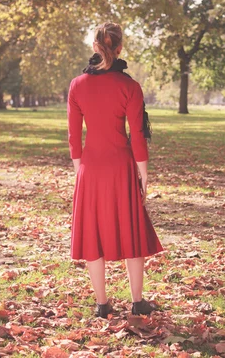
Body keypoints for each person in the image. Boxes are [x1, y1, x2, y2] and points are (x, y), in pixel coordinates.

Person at [67, 22, 163, 319]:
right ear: (119, 48)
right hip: (121, 166)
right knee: (131, 230)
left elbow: (73, 136)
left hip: (91, 167)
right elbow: (137, 135)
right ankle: (137, 302)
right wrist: (144, 174)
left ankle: (102, 304)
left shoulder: (77, 85)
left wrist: (79, 169)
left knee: (93, 232)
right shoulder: (129, 86)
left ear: (95, 47)